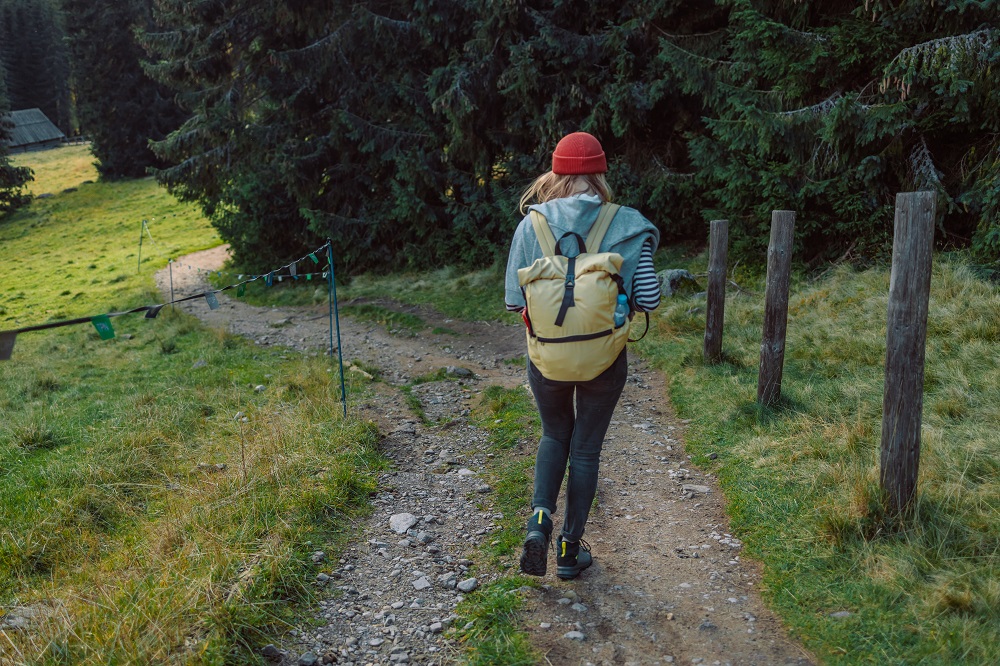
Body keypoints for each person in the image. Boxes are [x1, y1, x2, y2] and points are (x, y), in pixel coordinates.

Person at [504, 131, 661, 579]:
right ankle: (570, 552)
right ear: (600, 173)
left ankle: (538, 525)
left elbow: (515, 300)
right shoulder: (628, 222)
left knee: (554, 435)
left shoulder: (529, 225)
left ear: (554, 173)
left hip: (547, 360)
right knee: (586, 450)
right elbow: (648, 297)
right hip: (604, 359)